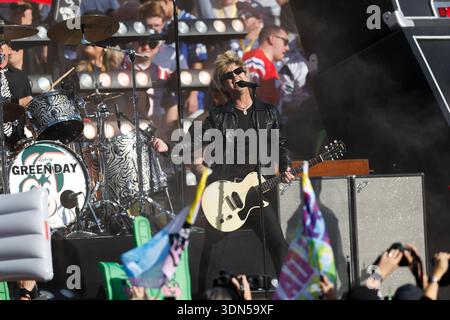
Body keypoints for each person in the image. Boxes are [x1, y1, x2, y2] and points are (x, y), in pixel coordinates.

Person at [192, 50, 294, 295]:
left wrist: (286, 167)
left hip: (257, 194)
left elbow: (280, 145)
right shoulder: (217, 117)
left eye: (239, 72)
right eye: (229, 76)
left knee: (279, 246)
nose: (235, 77)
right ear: (224, 85)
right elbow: (192, 148)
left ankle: (288, 294)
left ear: (247, 74)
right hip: (226, 193)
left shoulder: (269, 112)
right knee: (212, 254)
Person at [243, 25, 289, 108]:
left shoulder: (268, 64)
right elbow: (247, 93)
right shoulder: (256, 58)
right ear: (272, 39)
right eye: (285, 42)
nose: (287, 48)